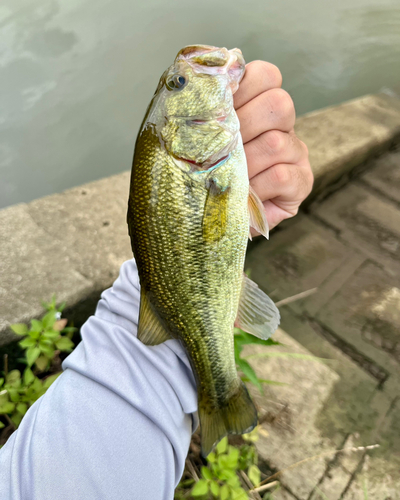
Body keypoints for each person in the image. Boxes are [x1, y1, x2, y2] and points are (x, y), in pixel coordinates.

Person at [0, 61, 312, 499]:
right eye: (177, 83)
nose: (183, 77)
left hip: (168, 311)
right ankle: (221, 393)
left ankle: (218, 396)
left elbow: (181, 253)